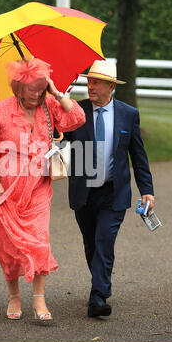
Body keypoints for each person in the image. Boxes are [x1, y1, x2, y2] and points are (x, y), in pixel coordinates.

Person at [0, 58, 85, 322]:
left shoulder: (49, 105)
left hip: (37, 187)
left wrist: (56, 92)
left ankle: (39, 299)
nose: (36, 94)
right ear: (18, 88)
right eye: (31, 89)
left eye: (40, 88)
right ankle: (14, 296)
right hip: (5, 190)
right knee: (6, 245)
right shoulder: (0, 110)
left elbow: (77, 119)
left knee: (39, 241)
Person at [64, 60, 154, 318]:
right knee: (91, 243)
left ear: (110, 86)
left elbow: (138, 155)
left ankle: (98, 297)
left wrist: (147, 189)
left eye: (95, 82)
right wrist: (59, 108)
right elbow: (59, 138)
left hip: (113, 192)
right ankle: (101, 285)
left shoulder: (128, 114)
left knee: (105, 241)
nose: (90, 86)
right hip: (83, 192)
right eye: (88, 81)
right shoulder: (76, 111)